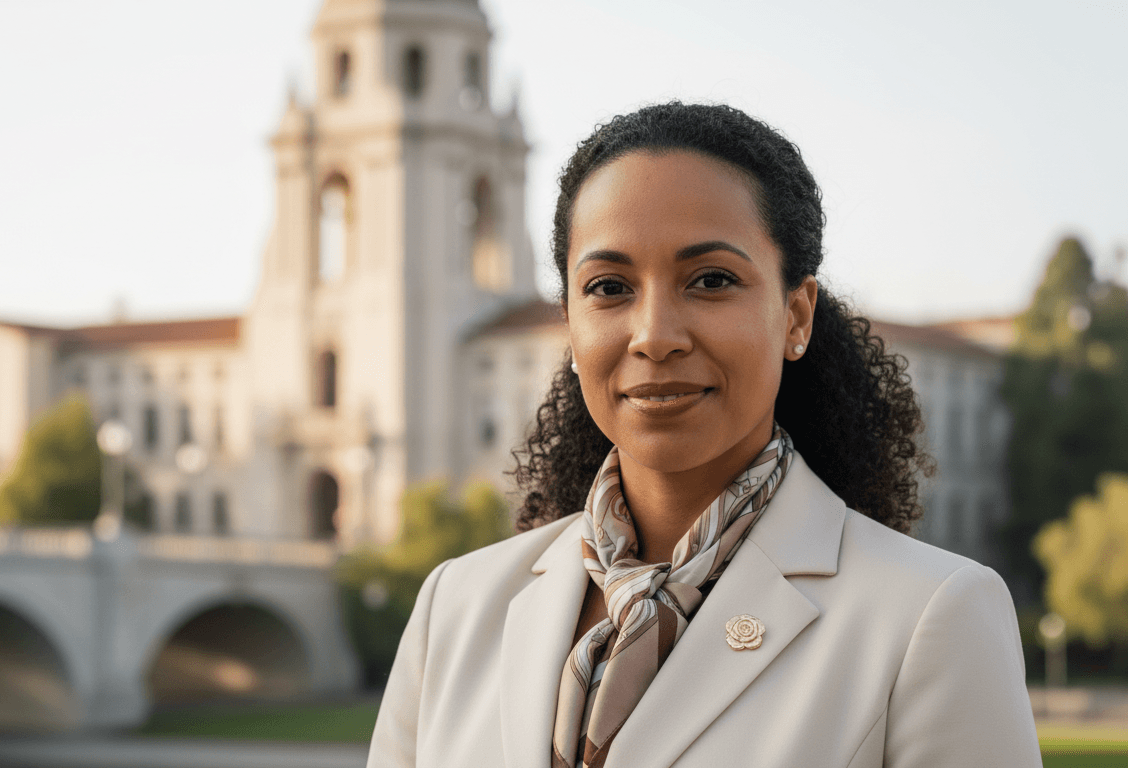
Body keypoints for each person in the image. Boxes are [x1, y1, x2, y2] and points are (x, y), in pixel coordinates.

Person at [366, 101, 1041, 768]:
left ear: (797, 316)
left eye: (711, 280)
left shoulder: (932, 616)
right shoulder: (453, 606)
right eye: (608, 287)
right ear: (570, 324)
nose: (655, 335)